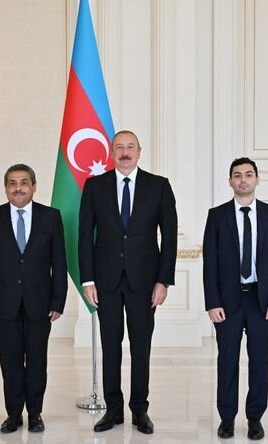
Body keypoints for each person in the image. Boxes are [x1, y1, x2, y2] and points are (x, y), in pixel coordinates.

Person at [78, 130, 178, 435]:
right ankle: (113, 410)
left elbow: (170, 237)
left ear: (139, 151)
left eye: (130, 147)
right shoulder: (95, 186)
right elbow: (84, 236)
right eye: (119, 147)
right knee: (110, 347)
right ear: (111, 152)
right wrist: (88, 280)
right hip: (105, 281)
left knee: (141, 347)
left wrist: (163, 281)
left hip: (145, 283)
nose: (125, 152)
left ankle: (139, 409)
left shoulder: (159, 186)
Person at [0, 164, 67, 434]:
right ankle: (13, 414)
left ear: (34, 187)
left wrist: (57, 301)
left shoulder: (51, 217)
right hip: (3, 305)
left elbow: (59, 262)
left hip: (41, 304)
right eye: (12, 183)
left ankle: (35, 413)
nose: (18, 188)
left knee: (37, 361)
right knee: (10, 362)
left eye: (24, 182)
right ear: (5, 188)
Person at [203, 157, 268, 440]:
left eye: (248, 174)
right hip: (227, 302)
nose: (243, 179)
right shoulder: (217, 216)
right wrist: (212, 302)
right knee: (227, 360)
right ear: (230, 181)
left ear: (257, 179)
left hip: (261, 301)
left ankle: (255, 417)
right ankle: (227, 418)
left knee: (259, 361)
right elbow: (210, 263)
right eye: (237, 175)